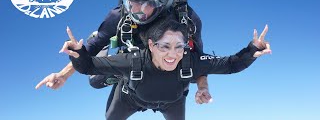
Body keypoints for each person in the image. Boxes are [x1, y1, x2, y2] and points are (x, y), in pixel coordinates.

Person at [35, 0, 212, 109]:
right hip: (132, 57)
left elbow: (199, 60)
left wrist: (203, 87)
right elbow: (88, 51)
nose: (135, 11)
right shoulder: (120, 15)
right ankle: (111, 49)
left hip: (164, 65)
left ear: (162, 1)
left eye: (143, 5)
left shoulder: (186, 20)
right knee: (95, 82)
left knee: (177, 84)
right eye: (130, 3)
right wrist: (63, 75)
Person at [61, 16, 271, 120]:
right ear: (151, 46)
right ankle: (109, 55)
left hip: (172, 102)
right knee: (95, 83)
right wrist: (79, 52)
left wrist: (252, 49)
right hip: (129, 98)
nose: (173, 54)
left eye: (179, 46)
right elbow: (88, 66)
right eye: (165, 46)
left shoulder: (189, 60)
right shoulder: (132, 60)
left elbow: (232, 64)